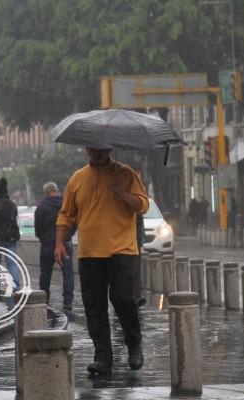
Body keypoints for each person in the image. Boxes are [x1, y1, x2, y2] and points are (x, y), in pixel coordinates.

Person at [55, 147, 149, 375]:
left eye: (101, 149)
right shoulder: (77, 178)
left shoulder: (126, 174)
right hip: (89, 252)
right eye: (93, 150)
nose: (97, 153)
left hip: (122, 249)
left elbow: (143, 205)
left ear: (108, 149)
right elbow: (66, 214)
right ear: (88, 150)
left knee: (123, 298)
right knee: (94, 306)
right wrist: (58, 243)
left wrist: (123, 195)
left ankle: (134, 344)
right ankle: (103, 356)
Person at [34, 181, 75, 310]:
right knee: (67, 273)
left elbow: (38, 229)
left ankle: (44, 299)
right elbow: (74, 223)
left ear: (46, 193)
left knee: (45, 274)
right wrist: (68, 236)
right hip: (65, 244)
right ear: (56, 190)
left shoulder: (41, 207)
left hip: (47, 245)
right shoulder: (66, 204)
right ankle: (67, 301)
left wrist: (44, 238)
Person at [0, 177, 21, 288]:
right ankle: (15, 287)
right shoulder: (13, 205)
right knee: (12, 264)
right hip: (11, 238)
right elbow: (14, 218)